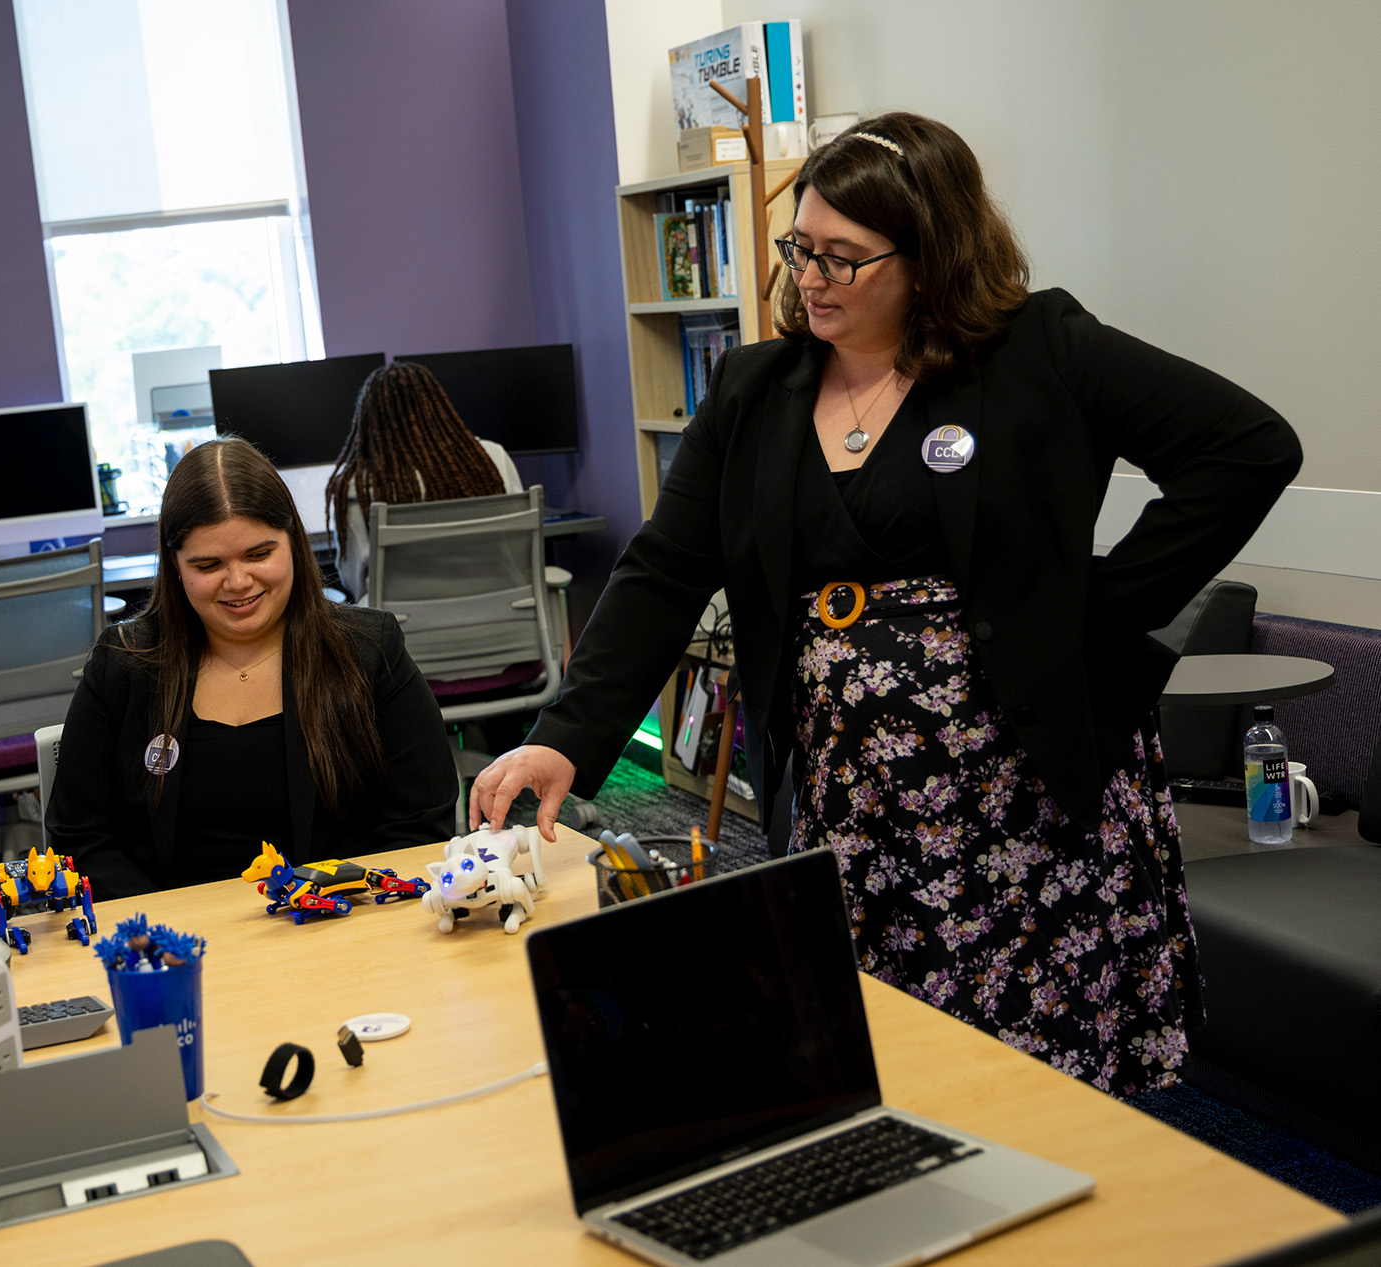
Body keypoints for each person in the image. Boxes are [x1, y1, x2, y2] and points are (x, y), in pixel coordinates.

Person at [471, 113, 1303, 1099]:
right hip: (853, 796)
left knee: (1041, 1076)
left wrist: (1097, 610)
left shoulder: (1038, 350)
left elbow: (1247, 449)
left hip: (1024, 790)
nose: (809, 277)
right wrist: (567, 736)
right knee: (878, 1057)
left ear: (929, 258)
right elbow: (663, 570)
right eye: (799, 248)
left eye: (842, 257)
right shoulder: (753, 390)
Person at [47, 438, 456, 895]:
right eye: (208, 565)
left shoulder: (370, 651)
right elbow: (79, 838)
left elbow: (420, 824)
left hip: (337, 920)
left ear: (293, 543)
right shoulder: (123, 665)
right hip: (166, 931)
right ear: (175, 566)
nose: (238, 582)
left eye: (259, 555)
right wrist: (165, 925)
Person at [325, 360, 523, 602]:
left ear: (369, 422)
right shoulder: (492, 459)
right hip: (503, 609)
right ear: (437, 408)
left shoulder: (357, 487)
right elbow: (520, 548)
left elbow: (353, 580)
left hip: (403, 623)